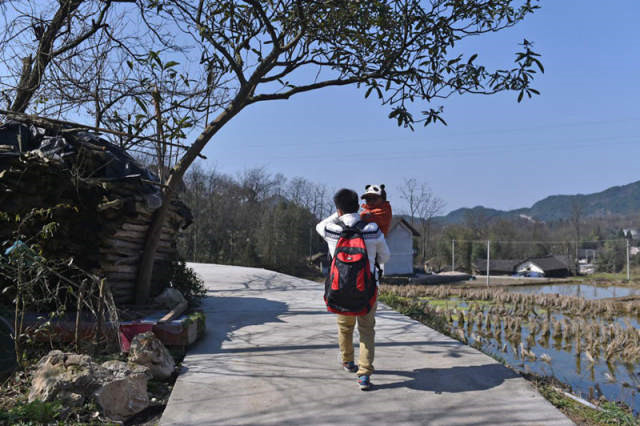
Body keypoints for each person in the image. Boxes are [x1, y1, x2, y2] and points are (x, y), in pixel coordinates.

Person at [316, 188, 390, 390]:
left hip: (340, 289)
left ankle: (348, 361)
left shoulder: (332, 230)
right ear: (358, 205)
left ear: (338, 209)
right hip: (367, 289)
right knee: (366, 330)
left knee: (345, 327)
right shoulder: (372, 229)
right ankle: (364, 374)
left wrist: (338, 213)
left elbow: (319, 225)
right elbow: (385, 257)